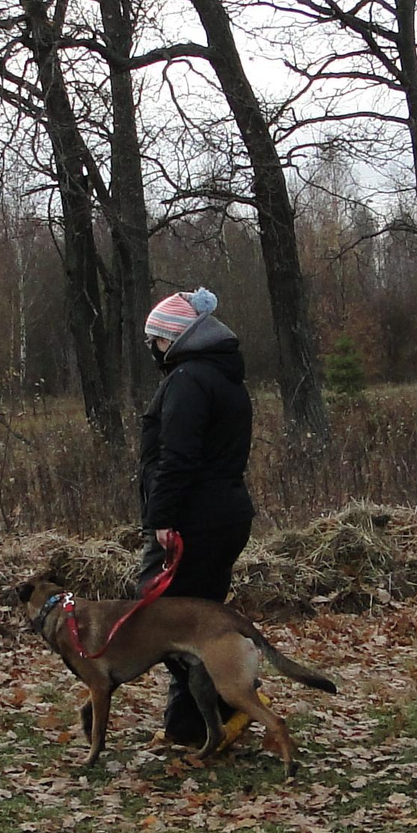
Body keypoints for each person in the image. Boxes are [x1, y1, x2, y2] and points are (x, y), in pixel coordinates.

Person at [136, 287, 254, 748]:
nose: (155, 351)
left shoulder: (188, 379)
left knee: (158, 621)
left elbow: (177, 457)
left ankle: (231, 702)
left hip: (193, 521)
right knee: (196, 622)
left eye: (157, 341)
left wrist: (160, 517)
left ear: (175, 338)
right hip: (225, 516)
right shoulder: (227, 377)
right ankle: (192, 727)